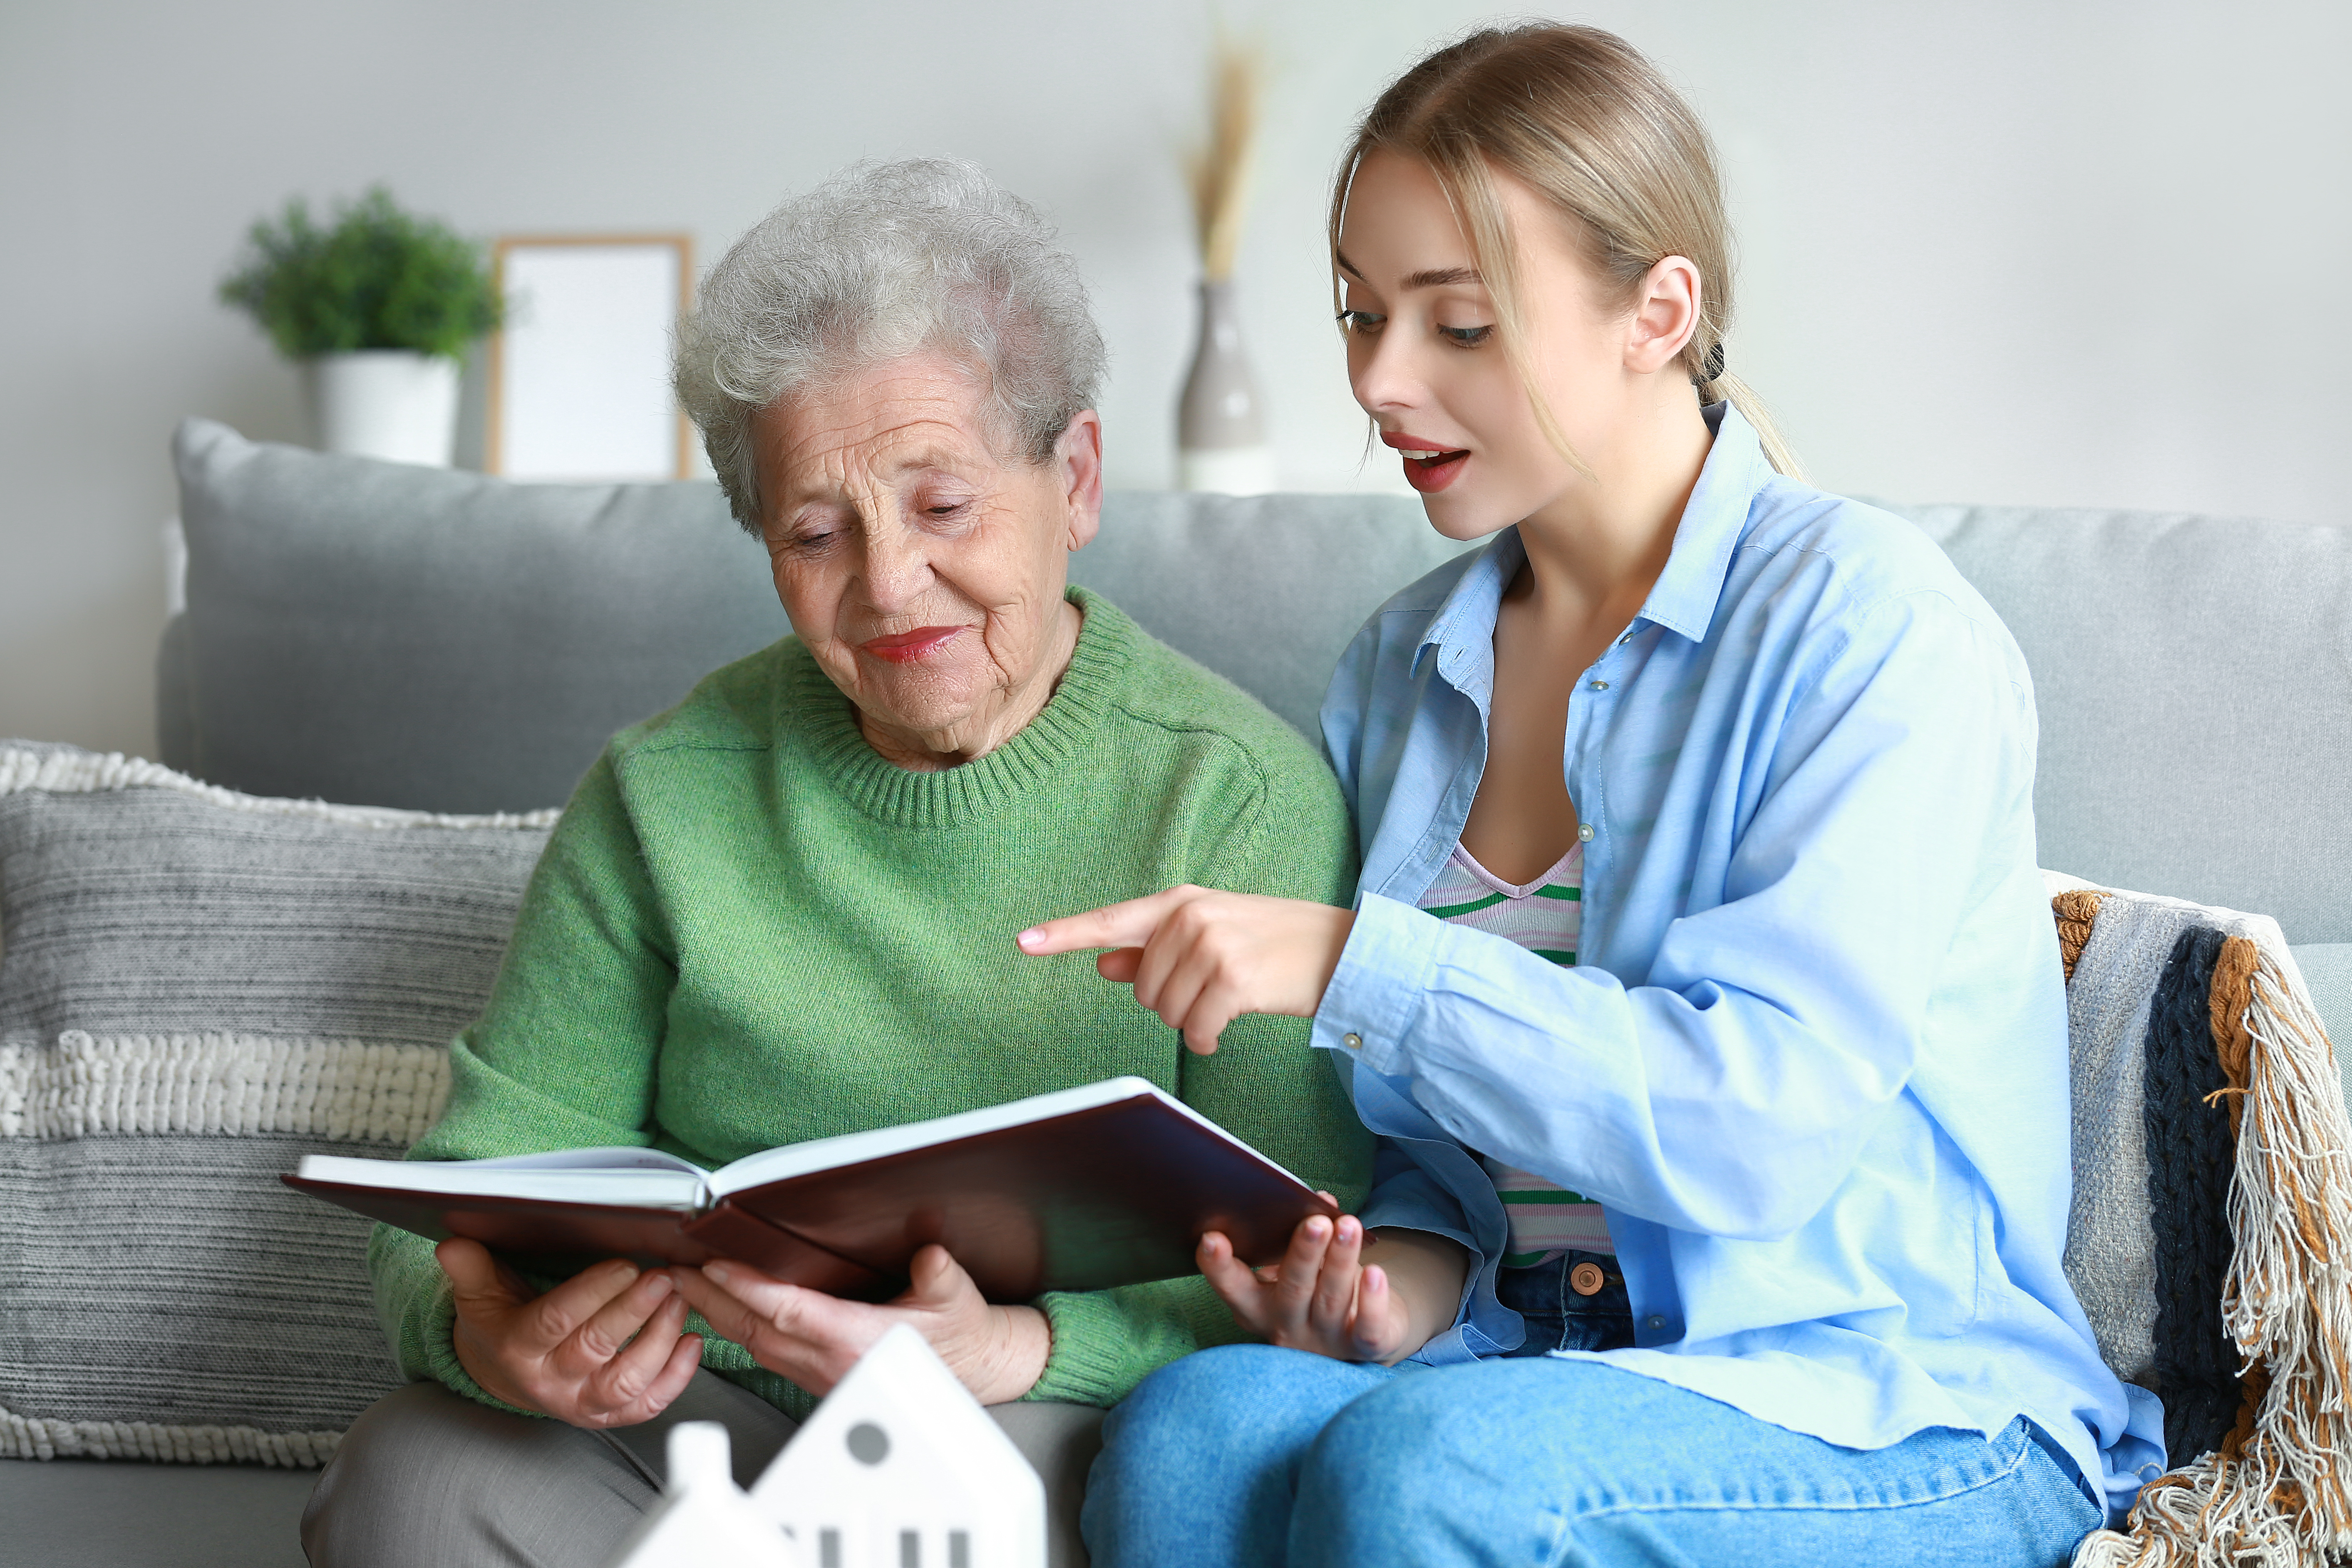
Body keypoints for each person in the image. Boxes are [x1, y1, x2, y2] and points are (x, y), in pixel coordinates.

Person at [1021, 25, 2165, 1568]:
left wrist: (1354, 964)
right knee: (1195, 1433)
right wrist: (1388, 1286)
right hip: (1535, 1363)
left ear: (1658, 310)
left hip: (1894, 1406)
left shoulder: (1868, 627)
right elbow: (1440, 1168)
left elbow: (1758, 1130)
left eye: (1461, 325)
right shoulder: (1395, 673)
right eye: (1360, 317)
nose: (1378, 381)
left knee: (1438, 1476)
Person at [300, 159, 1371, 1566]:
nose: (884, 585)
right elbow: (465, 1184)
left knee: (952, 1508)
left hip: (1029, 1418)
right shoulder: (660, 797)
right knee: (416, 1479)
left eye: (942, 508)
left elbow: (1309, 1272)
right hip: (693, 1411)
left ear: (1078, 479)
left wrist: (1019, 1346)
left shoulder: (1236, 800)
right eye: (815, 533)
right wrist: (489, 1336)